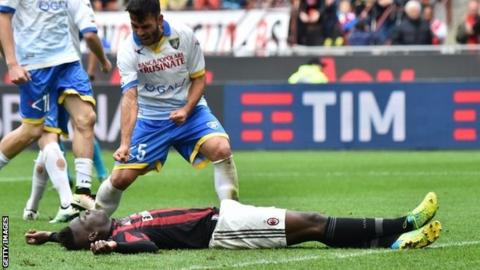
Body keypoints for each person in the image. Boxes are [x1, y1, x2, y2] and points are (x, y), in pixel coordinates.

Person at [93, 0, 239, 217]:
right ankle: (94, 221)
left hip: (191, 113)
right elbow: (130, 98)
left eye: (145, 26)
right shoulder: (127, 50)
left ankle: (232, 215)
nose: (140, 32)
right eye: (135, 26)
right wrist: (124, 144)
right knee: (120, 179)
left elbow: (199, 79)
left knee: (221, 149)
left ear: (159, 20)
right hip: (151, 119)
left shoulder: (185, 36)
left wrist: (187, 109)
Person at [25, 192, 441, 254]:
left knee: (312, 225)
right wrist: (114, 248)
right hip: (224, 230)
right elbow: (148, 246)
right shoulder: (122, 233)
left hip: (224, 214)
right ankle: (402, 225)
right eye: (86, 220)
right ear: (96, 233)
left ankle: (397, 237)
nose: (89, 212)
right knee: (313, 223)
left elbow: (75, 232)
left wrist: (50, 236)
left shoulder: (119, 220)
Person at [0, 0, 100, 209]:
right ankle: (41, 204)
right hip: (35, 66)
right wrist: (12, 63)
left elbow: (89, 32)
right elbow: (3, 17)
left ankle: (82, 194)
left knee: (86, 117)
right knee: (33, 131)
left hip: (68, 61)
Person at [21, 0, 112, 223]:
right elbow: (92, 37)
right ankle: (65, 200)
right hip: (50, 71)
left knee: (55, 135)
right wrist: (102, 63)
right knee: (52, 134)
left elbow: (91, 37)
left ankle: (40, 205)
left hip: (59, 70)